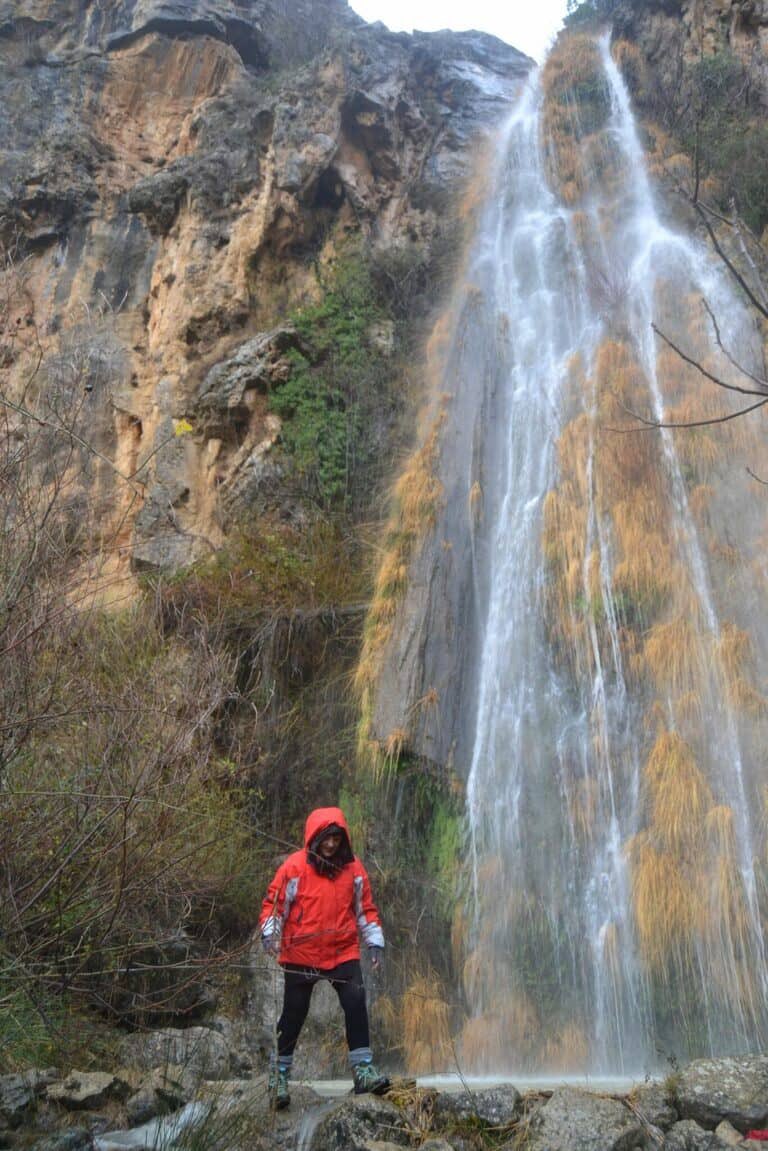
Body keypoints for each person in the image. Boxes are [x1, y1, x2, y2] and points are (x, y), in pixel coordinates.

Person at [259, 805, 390, 1109]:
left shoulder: (354, 869)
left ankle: (363, 1071)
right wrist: (270, 934)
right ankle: (279, 1075)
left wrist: (375, 945)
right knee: (294, 1012)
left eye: (336, 839)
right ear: (314, 838)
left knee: (356, 1003)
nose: (331, 845)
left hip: (342, 951)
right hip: (301, 952)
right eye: (326, 838)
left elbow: (365, 909)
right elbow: (273, 905)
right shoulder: (293, 867)